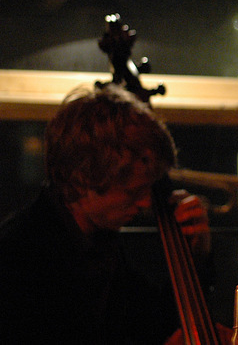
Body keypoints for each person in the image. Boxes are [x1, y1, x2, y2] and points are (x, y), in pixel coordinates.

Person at [0, 83, 212, 344]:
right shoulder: (15, 258)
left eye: (149, 188)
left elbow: (158, 326)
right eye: (132, 192)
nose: (146, 203)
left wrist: (195, 255)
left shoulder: (102, 243)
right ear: (83, 180)